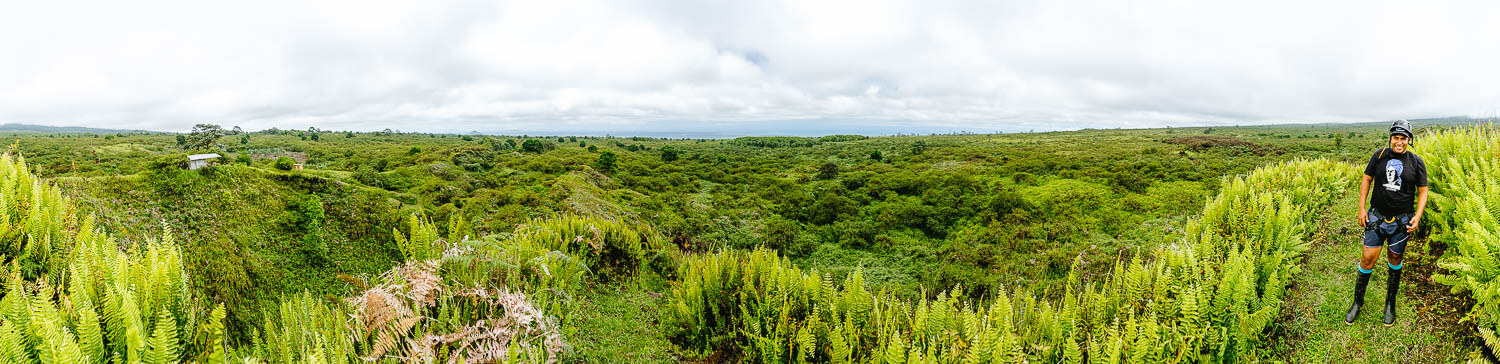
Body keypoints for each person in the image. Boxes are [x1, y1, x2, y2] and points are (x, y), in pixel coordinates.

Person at [1346, 119, 1428, 326]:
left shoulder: (1416, 162)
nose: (1399, 142)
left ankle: (1390, 304)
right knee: (1367, 259)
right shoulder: (1379, 156)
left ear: (1409, 140)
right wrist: (1361, 208)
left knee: (1395, 258)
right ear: (1390, 138)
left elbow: (1423, 191)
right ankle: (1358, 302)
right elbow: (1367, 179)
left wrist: (1417, 216)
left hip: (1402, 221)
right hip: (1376, 217)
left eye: (1403, 138)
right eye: (1395, 138)